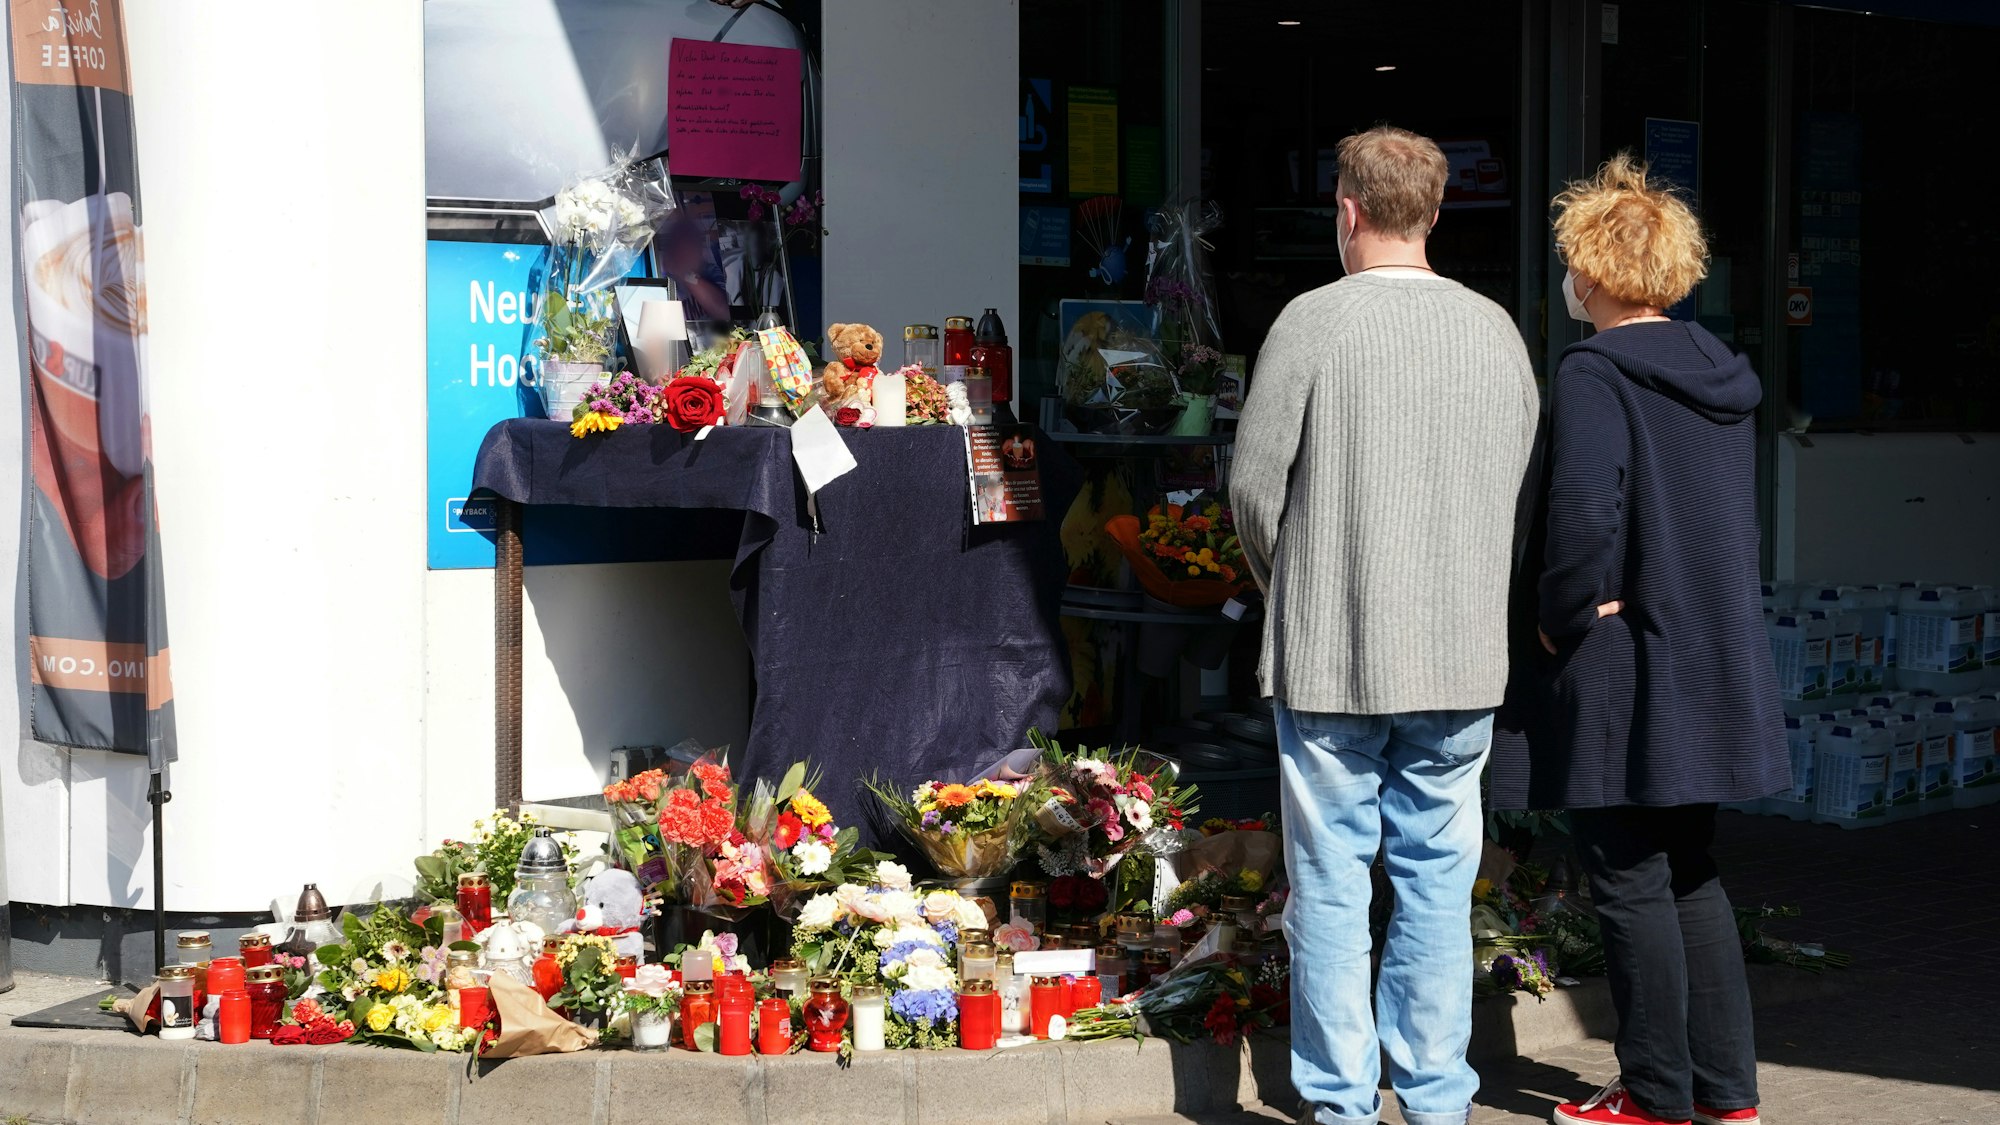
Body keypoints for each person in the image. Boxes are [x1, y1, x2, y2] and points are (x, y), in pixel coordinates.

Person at [1234, 125, 1540, 1125]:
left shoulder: (1310, 322)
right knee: (1437, 888)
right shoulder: (1496, 329)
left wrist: (1295, 585)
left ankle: (1340, 1105)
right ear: (1436, 212)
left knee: (1328, 890)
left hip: (1331, 658)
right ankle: (1436, 1097)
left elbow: (1249, 492)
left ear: (1346, 211)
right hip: (1457, 654)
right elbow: (1517, 489)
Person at [1489, 155, 1787, 1125]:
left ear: (1597, 274)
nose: (1567, 282)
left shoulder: (1592, 372)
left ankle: (1654, 1096)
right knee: (1689, 869)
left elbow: (1582, 513)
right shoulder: (1718, 375)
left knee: (1623, 875)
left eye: (1574, 264)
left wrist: (1553, 615)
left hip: (1618, 661)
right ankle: (1726, 1096)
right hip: (1705, 654)